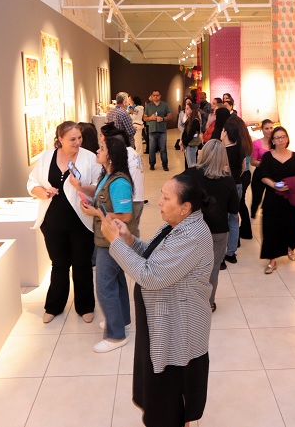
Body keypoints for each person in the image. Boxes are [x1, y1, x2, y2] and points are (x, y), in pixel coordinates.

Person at [101, 174, 213, 427]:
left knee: (170, 391)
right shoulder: (175, 225)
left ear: (186, 207)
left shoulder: (192, 235)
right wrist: (128, 239)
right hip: (160, 322)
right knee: (157, 384)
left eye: (166, 197)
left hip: (178, 327)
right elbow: (152, 256)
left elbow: (150, 275)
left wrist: (115, 243)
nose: (159, 202)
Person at [27, 121, 102, 324]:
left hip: (80, 221)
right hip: (52, 222)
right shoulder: (46, 157)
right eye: (72, 139)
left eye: (80, 138)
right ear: (60, 139)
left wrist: (82, 187)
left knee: (82, 264)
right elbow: (32, 182)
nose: (78, 142)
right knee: (59, 264)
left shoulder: (89, 158)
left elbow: (98, 188)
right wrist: (42, 192)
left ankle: (85, 305)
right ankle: (54, 305)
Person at [79, 137, 136, 353]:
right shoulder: (106, 176)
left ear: (111, 154)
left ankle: (115, 335)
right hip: (104, 238)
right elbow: (99, 194)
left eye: (102, 148)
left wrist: (96, 213)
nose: (97, 150)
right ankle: (121, 319)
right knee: (116, 280)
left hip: (111, 240)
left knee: (104, 286)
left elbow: (126, 215)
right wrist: (82, 188)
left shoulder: (119, 181)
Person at [184, 139, 238, 311]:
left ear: (203, 152)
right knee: (213, 268)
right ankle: (208, 303)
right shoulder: (228, 180)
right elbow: (233, 208)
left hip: (193, 228)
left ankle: (189, 301)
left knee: (190, 266)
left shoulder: (191, 174)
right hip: (218, 230)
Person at [257, 126, 295, 274]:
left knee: (290, 225)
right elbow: (263, 176)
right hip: (273, 197)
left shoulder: (294, 156)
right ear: (272, 140)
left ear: (287, 138)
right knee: (271, 228)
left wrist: (288, 184)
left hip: (290, 197)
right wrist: (275, 185)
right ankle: (272, 260)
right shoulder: (267, 157)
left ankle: (289, 247)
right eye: (277, 137)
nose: (281, 140)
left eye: (283, 136)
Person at [100, 122, 146, 237]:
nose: (100, 140)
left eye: (101, 136)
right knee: (132, 233)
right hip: (137, 197)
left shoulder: (123, 155)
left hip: (132, 199)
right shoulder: (131, 151)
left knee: (128, 235)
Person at [221, 117, 245, 265]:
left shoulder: (223, 150)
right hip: (238, 185)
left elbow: (224, 171)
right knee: (234, 220)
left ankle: (222, 253)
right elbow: (243, 167)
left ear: (226, 132)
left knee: (223, 221)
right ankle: (231, 253)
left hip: (225, 188)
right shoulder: (240, 147)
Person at [231, 116, 253, 240]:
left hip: (241, 175)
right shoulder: (247, 139)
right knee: (241, 203)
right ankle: (246, 230)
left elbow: (240, 163)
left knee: (238, 204)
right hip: (246, 174)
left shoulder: (238, 142)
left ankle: (243, 231)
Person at [250, 119, 274, 218]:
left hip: (273, 175)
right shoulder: (256, 143)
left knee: (271, 198)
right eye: (266, 128)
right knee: (257, 198)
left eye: (271, 128)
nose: (269, 130)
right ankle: (252, 216)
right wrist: (266, 164)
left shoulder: (276, 143)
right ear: (262, 130)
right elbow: (253, 161)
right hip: (260, 174)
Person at [144, 90, 172, 171]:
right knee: (152, 149)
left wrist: (163, 118)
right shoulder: (148, 106)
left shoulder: (165, 105)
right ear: (152, 97)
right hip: (152, 130)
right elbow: (144, 118)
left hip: (162, 130)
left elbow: (170, 116)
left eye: (157, 95)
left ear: (160, 96)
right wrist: (151, 118)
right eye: (154, 95)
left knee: (163, 148)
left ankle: (165, 164)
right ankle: (152, 164)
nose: (156, 97)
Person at [180, 100, 201, 168]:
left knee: (192, 166)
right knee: (189, 164)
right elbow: (185, 132)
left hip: (191, 145)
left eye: (187, 108)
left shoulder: (195, 121)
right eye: (185, 108)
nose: (185, 110)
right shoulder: (189, 120)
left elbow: (191, 135)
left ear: (192, 110)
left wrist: (183, 143)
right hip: (188, 145)